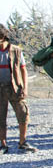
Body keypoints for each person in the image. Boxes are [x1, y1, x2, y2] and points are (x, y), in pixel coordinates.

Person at [0, 24, 37, 153]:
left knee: (23, 113)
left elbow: (23, 70)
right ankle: (3, 144)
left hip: (14, 87)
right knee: (1, 117)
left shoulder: (16, 50)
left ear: (3, 37)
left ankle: (23, 142)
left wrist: (24, 87)